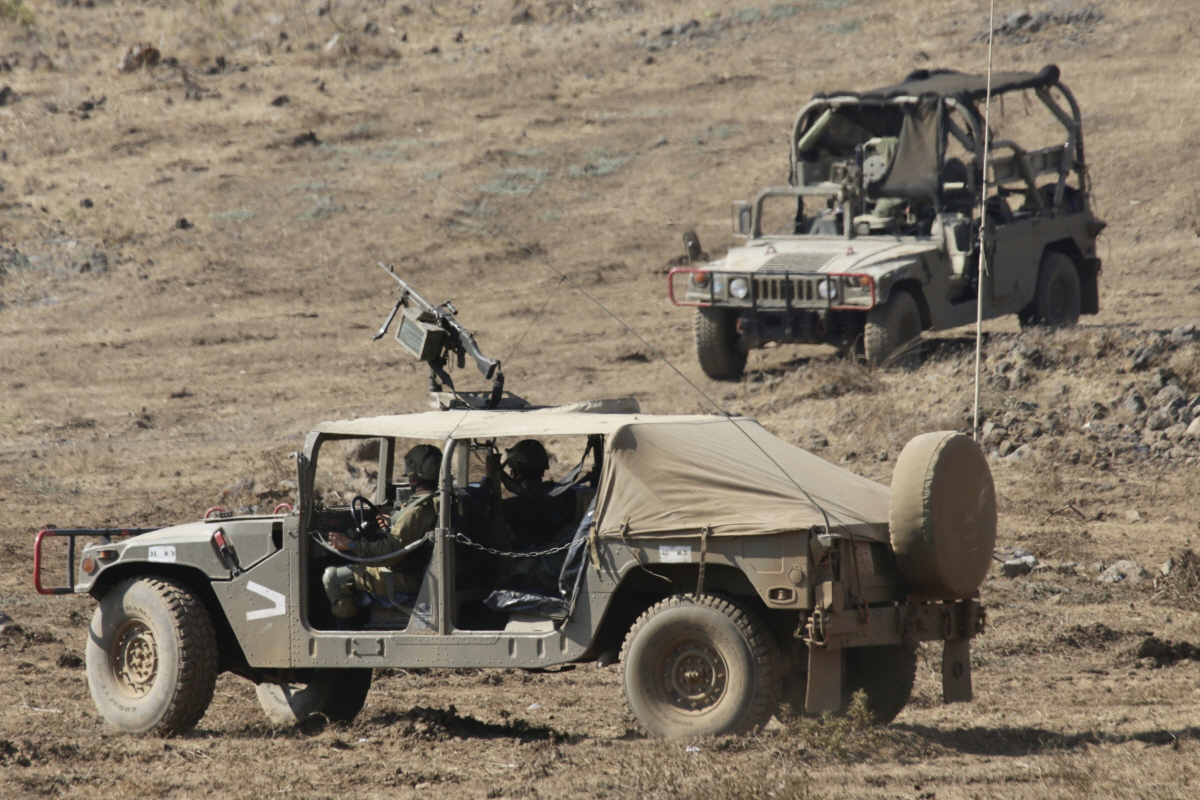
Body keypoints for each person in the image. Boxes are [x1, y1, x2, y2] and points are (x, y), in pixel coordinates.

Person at [322, 444, 441, 623]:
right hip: (412, 569)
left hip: (409, 577)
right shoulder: (425, 504)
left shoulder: (418, 511)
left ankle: (346, 633)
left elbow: (388, 555)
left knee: (333, 577)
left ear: (414, 479)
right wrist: (391, 522)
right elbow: (406, 533)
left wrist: (350, 544)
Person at [486, 439, 575, 551]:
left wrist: (490, 478)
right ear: (543, 471)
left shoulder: (512, 506)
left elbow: (481, 509)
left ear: (514, 472)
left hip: (530, 562)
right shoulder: (563, 493)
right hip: (563, 557)